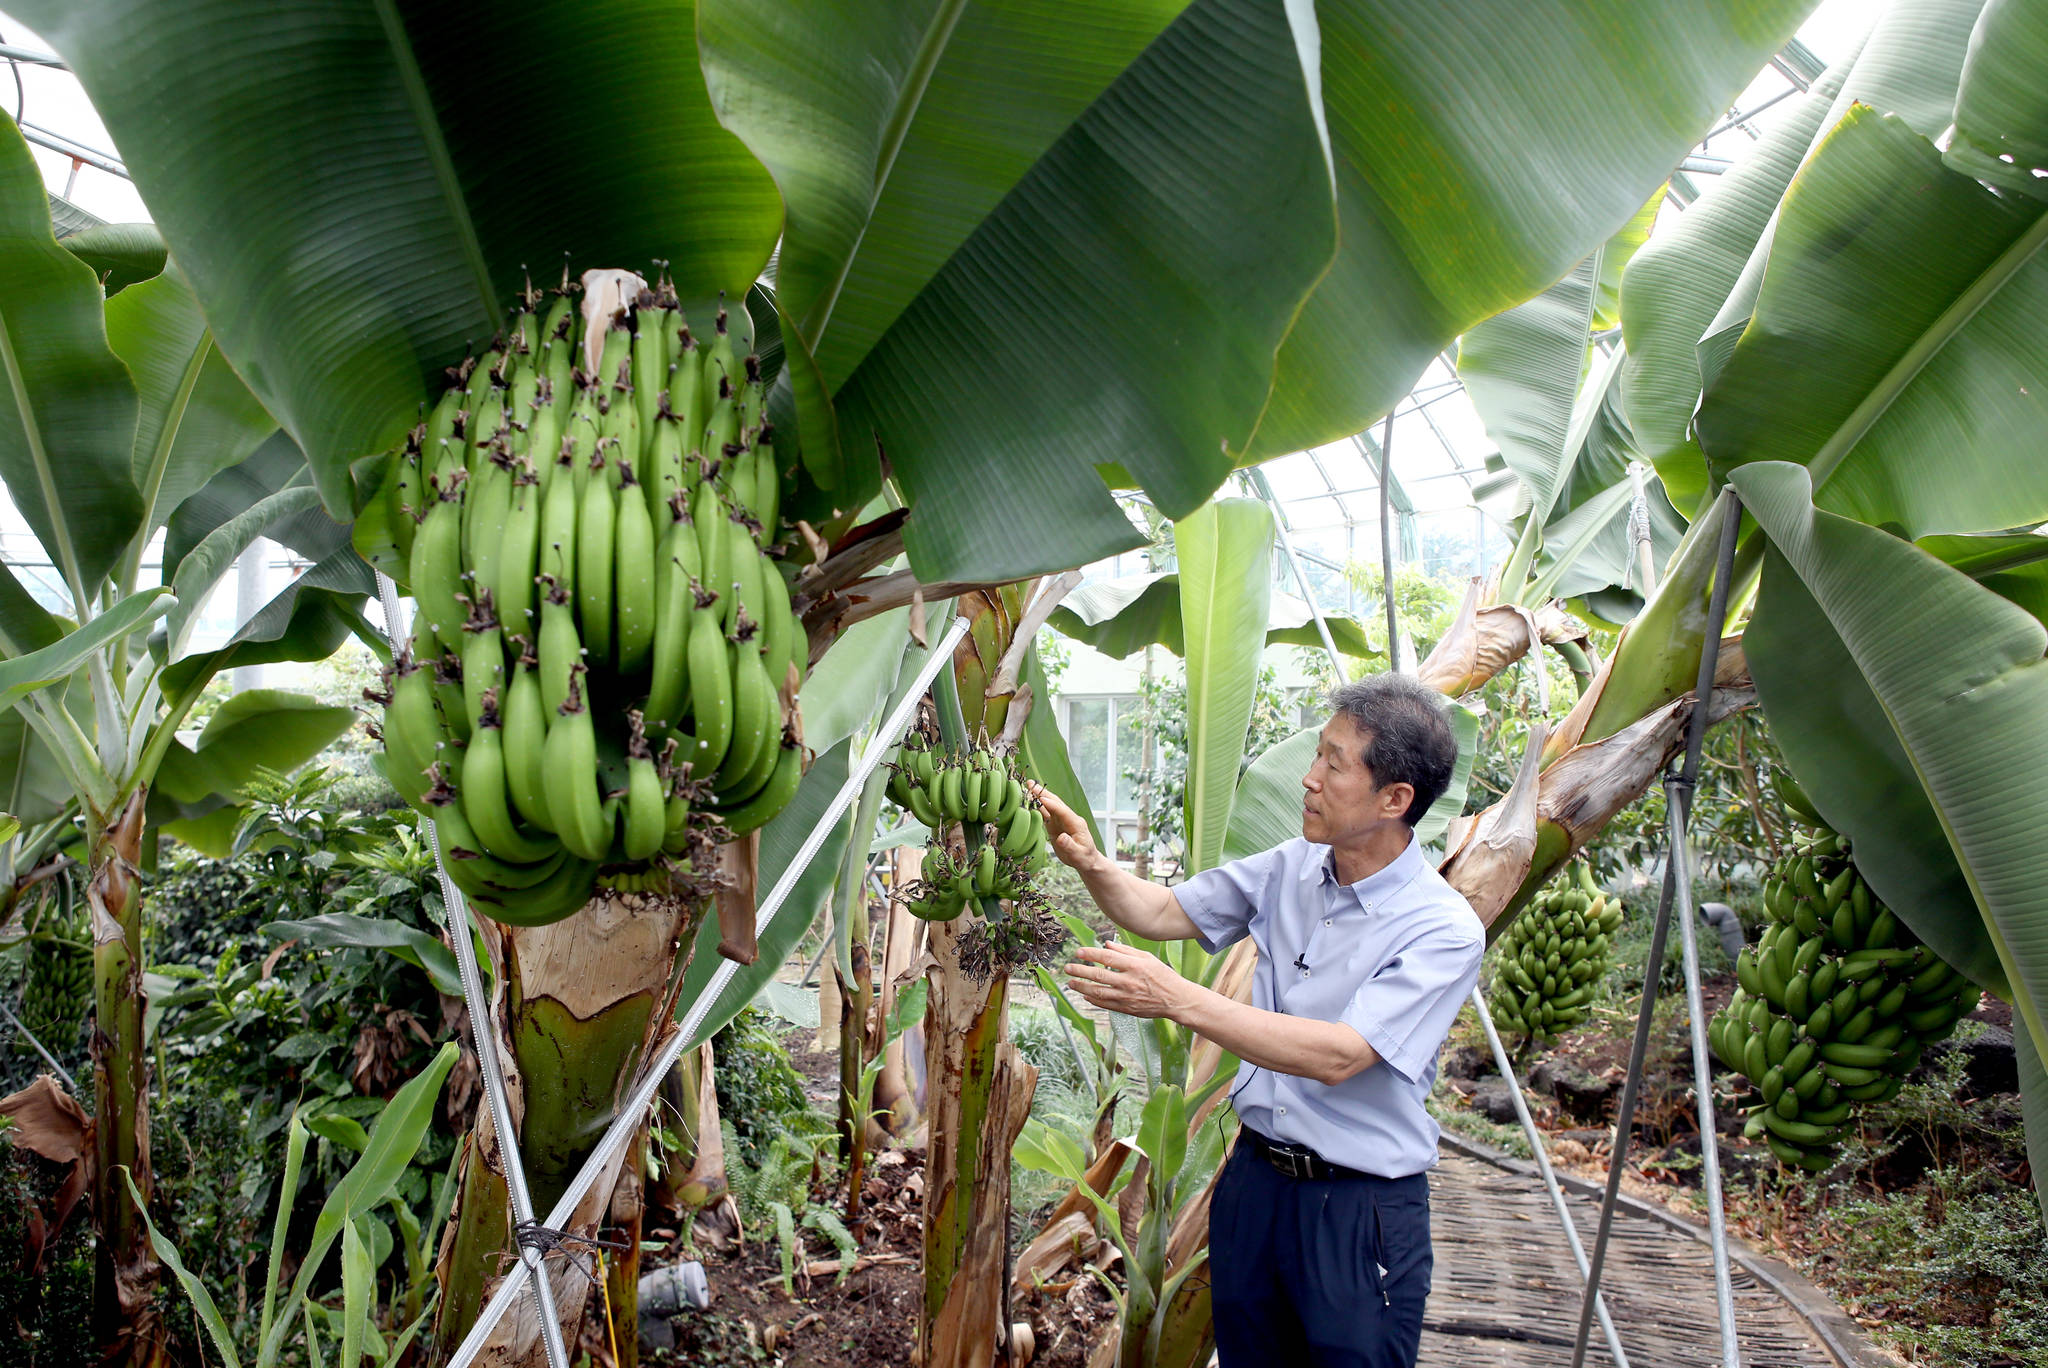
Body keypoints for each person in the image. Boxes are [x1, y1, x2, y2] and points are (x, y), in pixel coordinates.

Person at [1032, 673, 1483, 1368]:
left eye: (1333, 764)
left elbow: (1341, 1055)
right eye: (1316, 755)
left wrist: (1178, 997)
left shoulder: (1440, 928)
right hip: (1254, 1187)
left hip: (1356, 1212)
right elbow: (1159, 912)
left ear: (1395, 799)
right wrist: (1091, 861)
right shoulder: (1292, 867)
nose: (1308, 778)